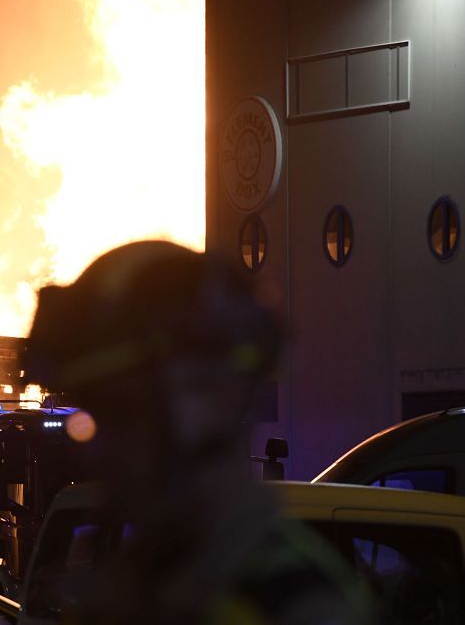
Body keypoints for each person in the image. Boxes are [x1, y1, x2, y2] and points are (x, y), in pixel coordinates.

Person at [24, 241, 374, 624]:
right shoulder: (138, 591)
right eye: (91, 418)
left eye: (121, 414)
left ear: (208, 402)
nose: (95, 450)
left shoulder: (295, 609)